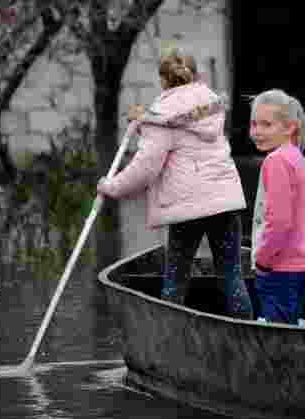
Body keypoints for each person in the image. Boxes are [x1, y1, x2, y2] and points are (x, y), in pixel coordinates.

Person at [96, 48, 253, 319]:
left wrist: (112, 186)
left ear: (163, 80)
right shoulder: (211, 107)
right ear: (196, 75)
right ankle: (250, 339)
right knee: (231, 276)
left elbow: (145, 168)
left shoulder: (161, 115)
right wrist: (144, 119)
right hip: (225, 204)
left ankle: (173, 339)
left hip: (187, 209)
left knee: (175, 281)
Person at [249, 89, 305, 324]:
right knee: (289, 329)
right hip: (300, 262)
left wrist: (263, 260)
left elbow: (279, 222)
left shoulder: (276, 162)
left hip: (279, 266)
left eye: (266, 125)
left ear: (289, 128)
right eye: (254, 124)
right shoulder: (296, 158)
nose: (257, 131)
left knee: (279, 340)